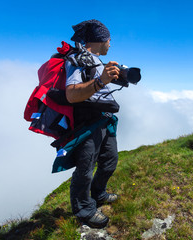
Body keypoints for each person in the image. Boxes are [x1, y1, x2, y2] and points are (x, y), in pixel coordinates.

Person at [65, 19, 121, 228]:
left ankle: (99, 194)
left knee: (110, 160)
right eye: (109, 40)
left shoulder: (96, 61)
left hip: (104, 119)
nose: (110, 44)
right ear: (100, 40)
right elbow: (71, 95)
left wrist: (114, 77)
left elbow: (99, 86)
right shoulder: (76, 59)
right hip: (86, 122)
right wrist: (100, 81)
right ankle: (84, 210)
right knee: (85, 168)